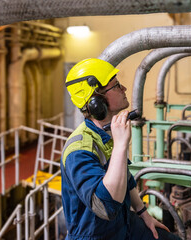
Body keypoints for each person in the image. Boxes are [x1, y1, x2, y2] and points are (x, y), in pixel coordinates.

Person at [61, 58, 181, 240]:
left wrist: (144, 214)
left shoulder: (107, 133)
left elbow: (125, 176)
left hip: (123, 225)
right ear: (96, 102)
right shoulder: (79, 150)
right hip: (95, 235)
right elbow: (106, 206)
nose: (124, 89)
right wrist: (120, 145)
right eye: (116, 86)